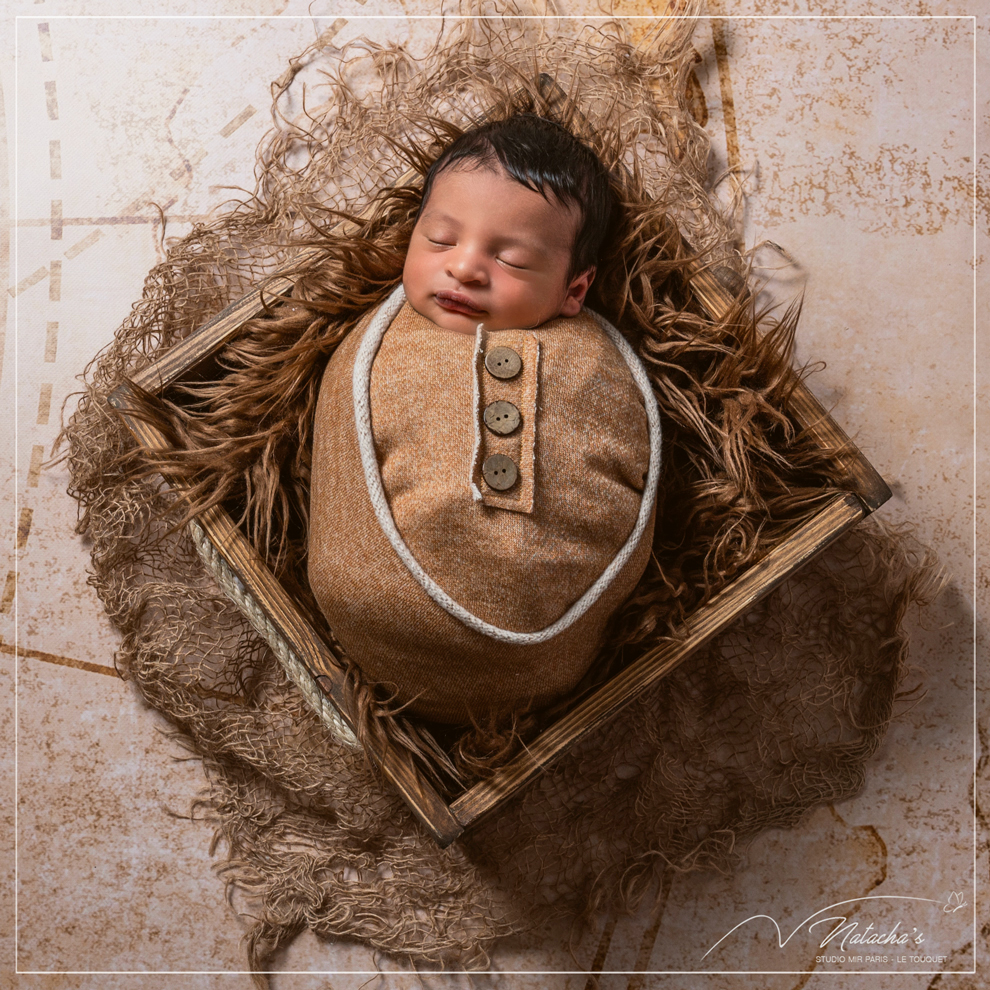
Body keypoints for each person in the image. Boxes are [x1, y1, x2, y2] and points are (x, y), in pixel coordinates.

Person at [306, 115, 662, 726]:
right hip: (382, 608)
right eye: (441, 240)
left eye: (512, 259)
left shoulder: (588, 358)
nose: (465, 268)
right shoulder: (384, 343)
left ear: (573, 291)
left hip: (552, 646)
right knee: (363, 584)